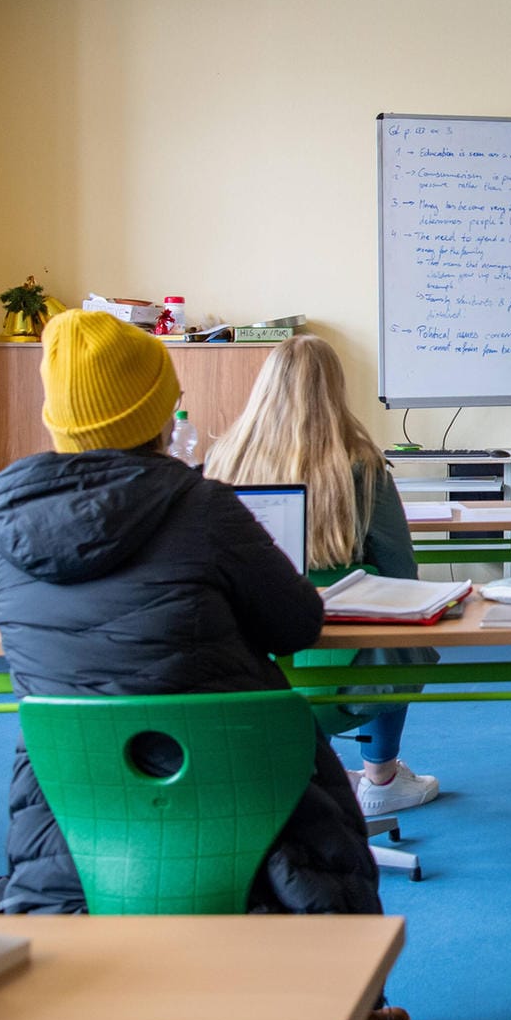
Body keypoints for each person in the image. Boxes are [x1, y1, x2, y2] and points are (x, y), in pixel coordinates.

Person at [0, 310, 410, 1020]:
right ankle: (346, 1010)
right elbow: (297, 624)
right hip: (244, 786)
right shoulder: (203, 509)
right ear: (155, 412)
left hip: (76, 804)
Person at [204, 334, 440, 817]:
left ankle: (304, 771)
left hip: (248, 669)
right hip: (352, 670)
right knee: (407, 642)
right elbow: (401, 570)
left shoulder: (223, 459)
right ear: (336, 390)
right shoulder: (362, 465)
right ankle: (380, 776)